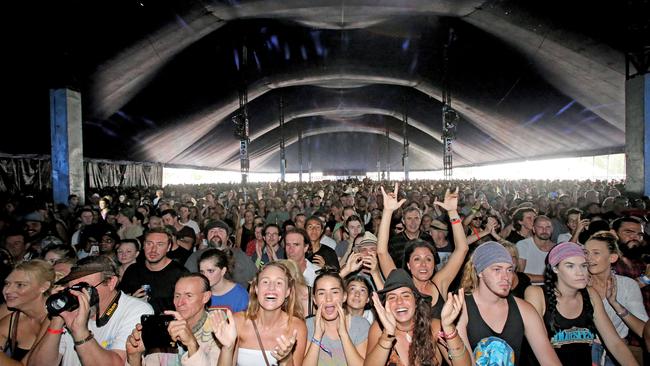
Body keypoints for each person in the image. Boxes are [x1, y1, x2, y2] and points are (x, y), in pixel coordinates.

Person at [525, 242, 638, 365]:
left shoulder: (590, 294)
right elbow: (542, 348)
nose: (580, 272)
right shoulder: (536, 293)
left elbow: (614, 343)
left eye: (584, 266)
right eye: (570, 266)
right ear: (555, 269)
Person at [27, 256, 154, 366]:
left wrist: (80, 331)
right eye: (73, 288)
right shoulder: (71, 310)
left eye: (84, 288)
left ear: (111, 282)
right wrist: (57, 320)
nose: (78, 295)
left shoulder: (135, 309)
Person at [457, 241, 561, 365]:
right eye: (497, 269)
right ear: (480, 272)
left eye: (509, 270)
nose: (506, 277)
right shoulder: (461, 307)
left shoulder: (525, 310)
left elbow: (550, 362)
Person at [378, 183, 468, 318]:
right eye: (417, 259)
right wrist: (388, 211)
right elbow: (382, 252)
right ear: (408, 264)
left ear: (434, 262)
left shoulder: (440, 283)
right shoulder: (401, 285)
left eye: (428, 259)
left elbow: (462, 249)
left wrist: (452, 212)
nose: (424, 264)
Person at [365, 268, 470, 366]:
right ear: (385, 304)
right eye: (392, 297)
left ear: (416, 301)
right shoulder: (379, 329)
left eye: (405, 295)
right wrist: (387, 336)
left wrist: (448, 327)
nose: (399, 301)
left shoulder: (433, 326)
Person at [213, 262, 307, 366]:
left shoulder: (297, 327)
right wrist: (227, 348)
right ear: (256, 289)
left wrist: (286, 359)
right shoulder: (238, 321)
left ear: (288, 292)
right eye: (265, 282)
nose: (271, 288)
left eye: (279, 283)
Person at [125, 273, 220, 366]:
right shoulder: (164, 328)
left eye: (188, 295)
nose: (180, 303)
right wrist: (134, 357)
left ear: (205, 297)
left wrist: (191, 344)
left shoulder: (218, 328)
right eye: (177, 296)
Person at [586, 231, 648, 363]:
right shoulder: (578, 284)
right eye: (585, 253)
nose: (588, 258)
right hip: (583, 350)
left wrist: (616, 304)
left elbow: (643, 330)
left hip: (615, 352)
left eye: (596, 253)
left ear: (612, 258)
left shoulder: (627, 285)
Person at [304, 270, 369, 366]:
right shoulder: (307, 325)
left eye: (334, 292)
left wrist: (343, 334)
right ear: (314, 300)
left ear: (344, 296)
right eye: (321, 293)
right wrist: (317, 335)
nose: (328, 298)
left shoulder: (360, 325)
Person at [120, 228, 189, 313]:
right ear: (143, 246)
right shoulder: (132, 270)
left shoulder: (180, 274)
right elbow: (120, 302)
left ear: (168, 247)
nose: (153, 250)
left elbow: (187, 308)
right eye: (149, 244)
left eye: (160, 245)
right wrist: (132, 301)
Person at [0, 260, 54, 364]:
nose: (7, 291)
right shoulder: (14, 319)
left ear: (44, 287)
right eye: (7, 283)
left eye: (20, 285)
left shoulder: (56, 318)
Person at [185, 219, 257, 289]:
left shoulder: (239, 254)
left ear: (227, 237)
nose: (216, 234)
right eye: (212, 231)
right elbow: (187, 281)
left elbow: (255, 277)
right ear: (207, 237)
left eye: (220, 231)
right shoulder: (196, 256)